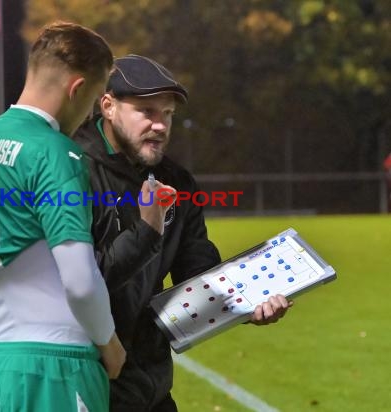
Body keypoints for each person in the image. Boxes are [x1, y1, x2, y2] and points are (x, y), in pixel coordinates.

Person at [72, 54, 292, 412]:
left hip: (152, 387)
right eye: (147, 111)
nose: (160, 125)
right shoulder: (70, 171)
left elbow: (198, 273)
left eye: (168, 114)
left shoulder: (177, 182)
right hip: (87, 385)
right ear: (108, 106)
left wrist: (247, 301)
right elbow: (78, 281)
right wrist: (147, 229)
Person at [0, 22, 126, 411]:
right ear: (77, 88)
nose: (90, 112)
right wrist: (108, 341)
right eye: (94, 99)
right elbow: (79, 281)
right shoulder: (55, 152)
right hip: (57, 367)